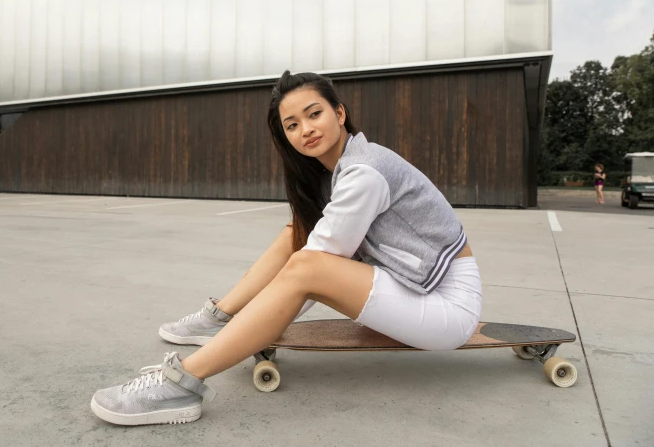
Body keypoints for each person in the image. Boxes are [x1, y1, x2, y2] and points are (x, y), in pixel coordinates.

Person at [90, 71, 483, 426]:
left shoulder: (364, 172)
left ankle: (182, 381)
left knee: (307, 267)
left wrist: (265, 317)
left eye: (315, 114)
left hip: (445, 304)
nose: (306, 130)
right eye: (292, 125)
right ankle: (222, 316)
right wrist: (256, 315)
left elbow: (316, 270)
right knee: (296, 232)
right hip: (417, 289)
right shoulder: (338, 172)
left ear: (340, 114)